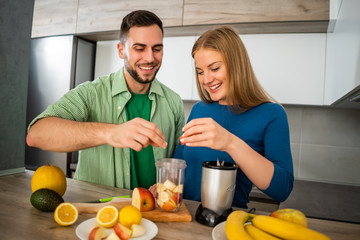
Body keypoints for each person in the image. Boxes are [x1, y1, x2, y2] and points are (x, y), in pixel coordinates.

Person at [26, 10, 185, 190]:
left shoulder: (174, 102)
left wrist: (166, 184)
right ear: (121, 50)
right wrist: (110, 133)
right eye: (139, 48)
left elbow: (178, 162)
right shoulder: (91, 93)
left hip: (151, 214)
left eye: (157, 49)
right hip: (98, 214)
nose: (150, 58)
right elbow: (36, 134)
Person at [174, 26, 293, 208]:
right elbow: (177, 165)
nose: (206, 79)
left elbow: (282, 189)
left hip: (227, 225)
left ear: (237, 64)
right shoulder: (199, 109)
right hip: (184, 216)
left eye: (214, 68)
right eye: (200, 71)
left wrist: (230, 142)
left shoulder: (272, 115)